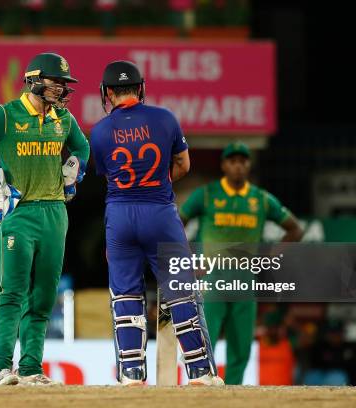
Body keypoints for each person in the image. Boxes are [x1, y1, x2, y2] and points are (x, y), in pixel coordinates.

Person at [0, 52, 89, 386]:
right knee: (11, 291)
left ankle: (29, 368)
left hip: (56, 212)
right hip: (19, 212)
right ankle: (0, 366)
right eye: (56, 82)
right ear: (34, 79)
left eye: (64, 83)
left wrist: (74, 168)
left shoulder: (63, 119)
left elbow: (82, 149)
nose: (61, 88)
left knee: (43, 295)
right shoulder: (5, 114)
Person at [90, 60, 223, 386]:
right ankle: (201, 373)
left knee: (125, 294)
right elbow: (184, 164)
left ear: (107, 93)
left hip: (120, 215)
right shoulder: (165, 119)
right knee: (181, 291)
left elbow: (108, 175)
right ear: (141, 88)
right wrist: (158, 184)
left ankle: (132, 374)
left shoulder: (100, 130)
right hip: (160, 212)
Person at [180, 141, 304, 385]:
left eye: (243, 161)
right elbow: (176, 223)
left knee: (242, 344)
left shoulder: (261, 199)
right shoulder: (206, 195)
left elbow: (295, 230)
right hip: (212, 277)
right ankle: (203, 387)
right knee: (207, 338)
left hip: (245, 279)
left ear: (249, 165)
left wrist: (269, 258)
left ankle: (234, 392)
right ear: (224, 165)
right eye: (233, 161)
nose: (238, 166)